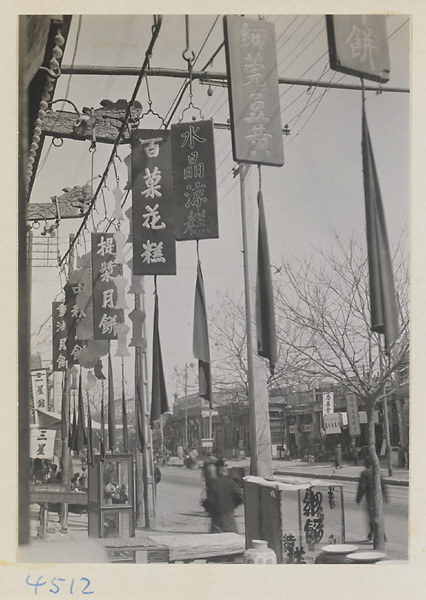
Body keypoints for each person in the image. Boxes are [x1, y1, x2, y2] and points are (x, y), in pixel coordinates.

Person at [205, 459, 243, 534]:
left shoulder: (213, 483)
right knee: (233, 538)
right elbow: (240, 496)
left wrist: (209, 509)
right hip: (230, 516)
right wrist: (233, 505)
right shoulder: (231, 482)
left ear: (217, 470)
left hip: (217, 517)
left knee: (217, 540)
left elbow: (211, 500)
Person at [356, 453, 388, 541]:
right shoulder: (378, 471)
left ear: (365, 463)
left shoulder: (365, 473)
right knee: (377, 516)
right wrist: (386, 497)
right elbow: (383, 485)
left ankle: (379, 535)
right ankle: (375, 534)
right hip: (379, 498)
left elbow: (361, 487)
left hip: (370, 499)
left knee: (372, 517)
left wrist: (358, 499)